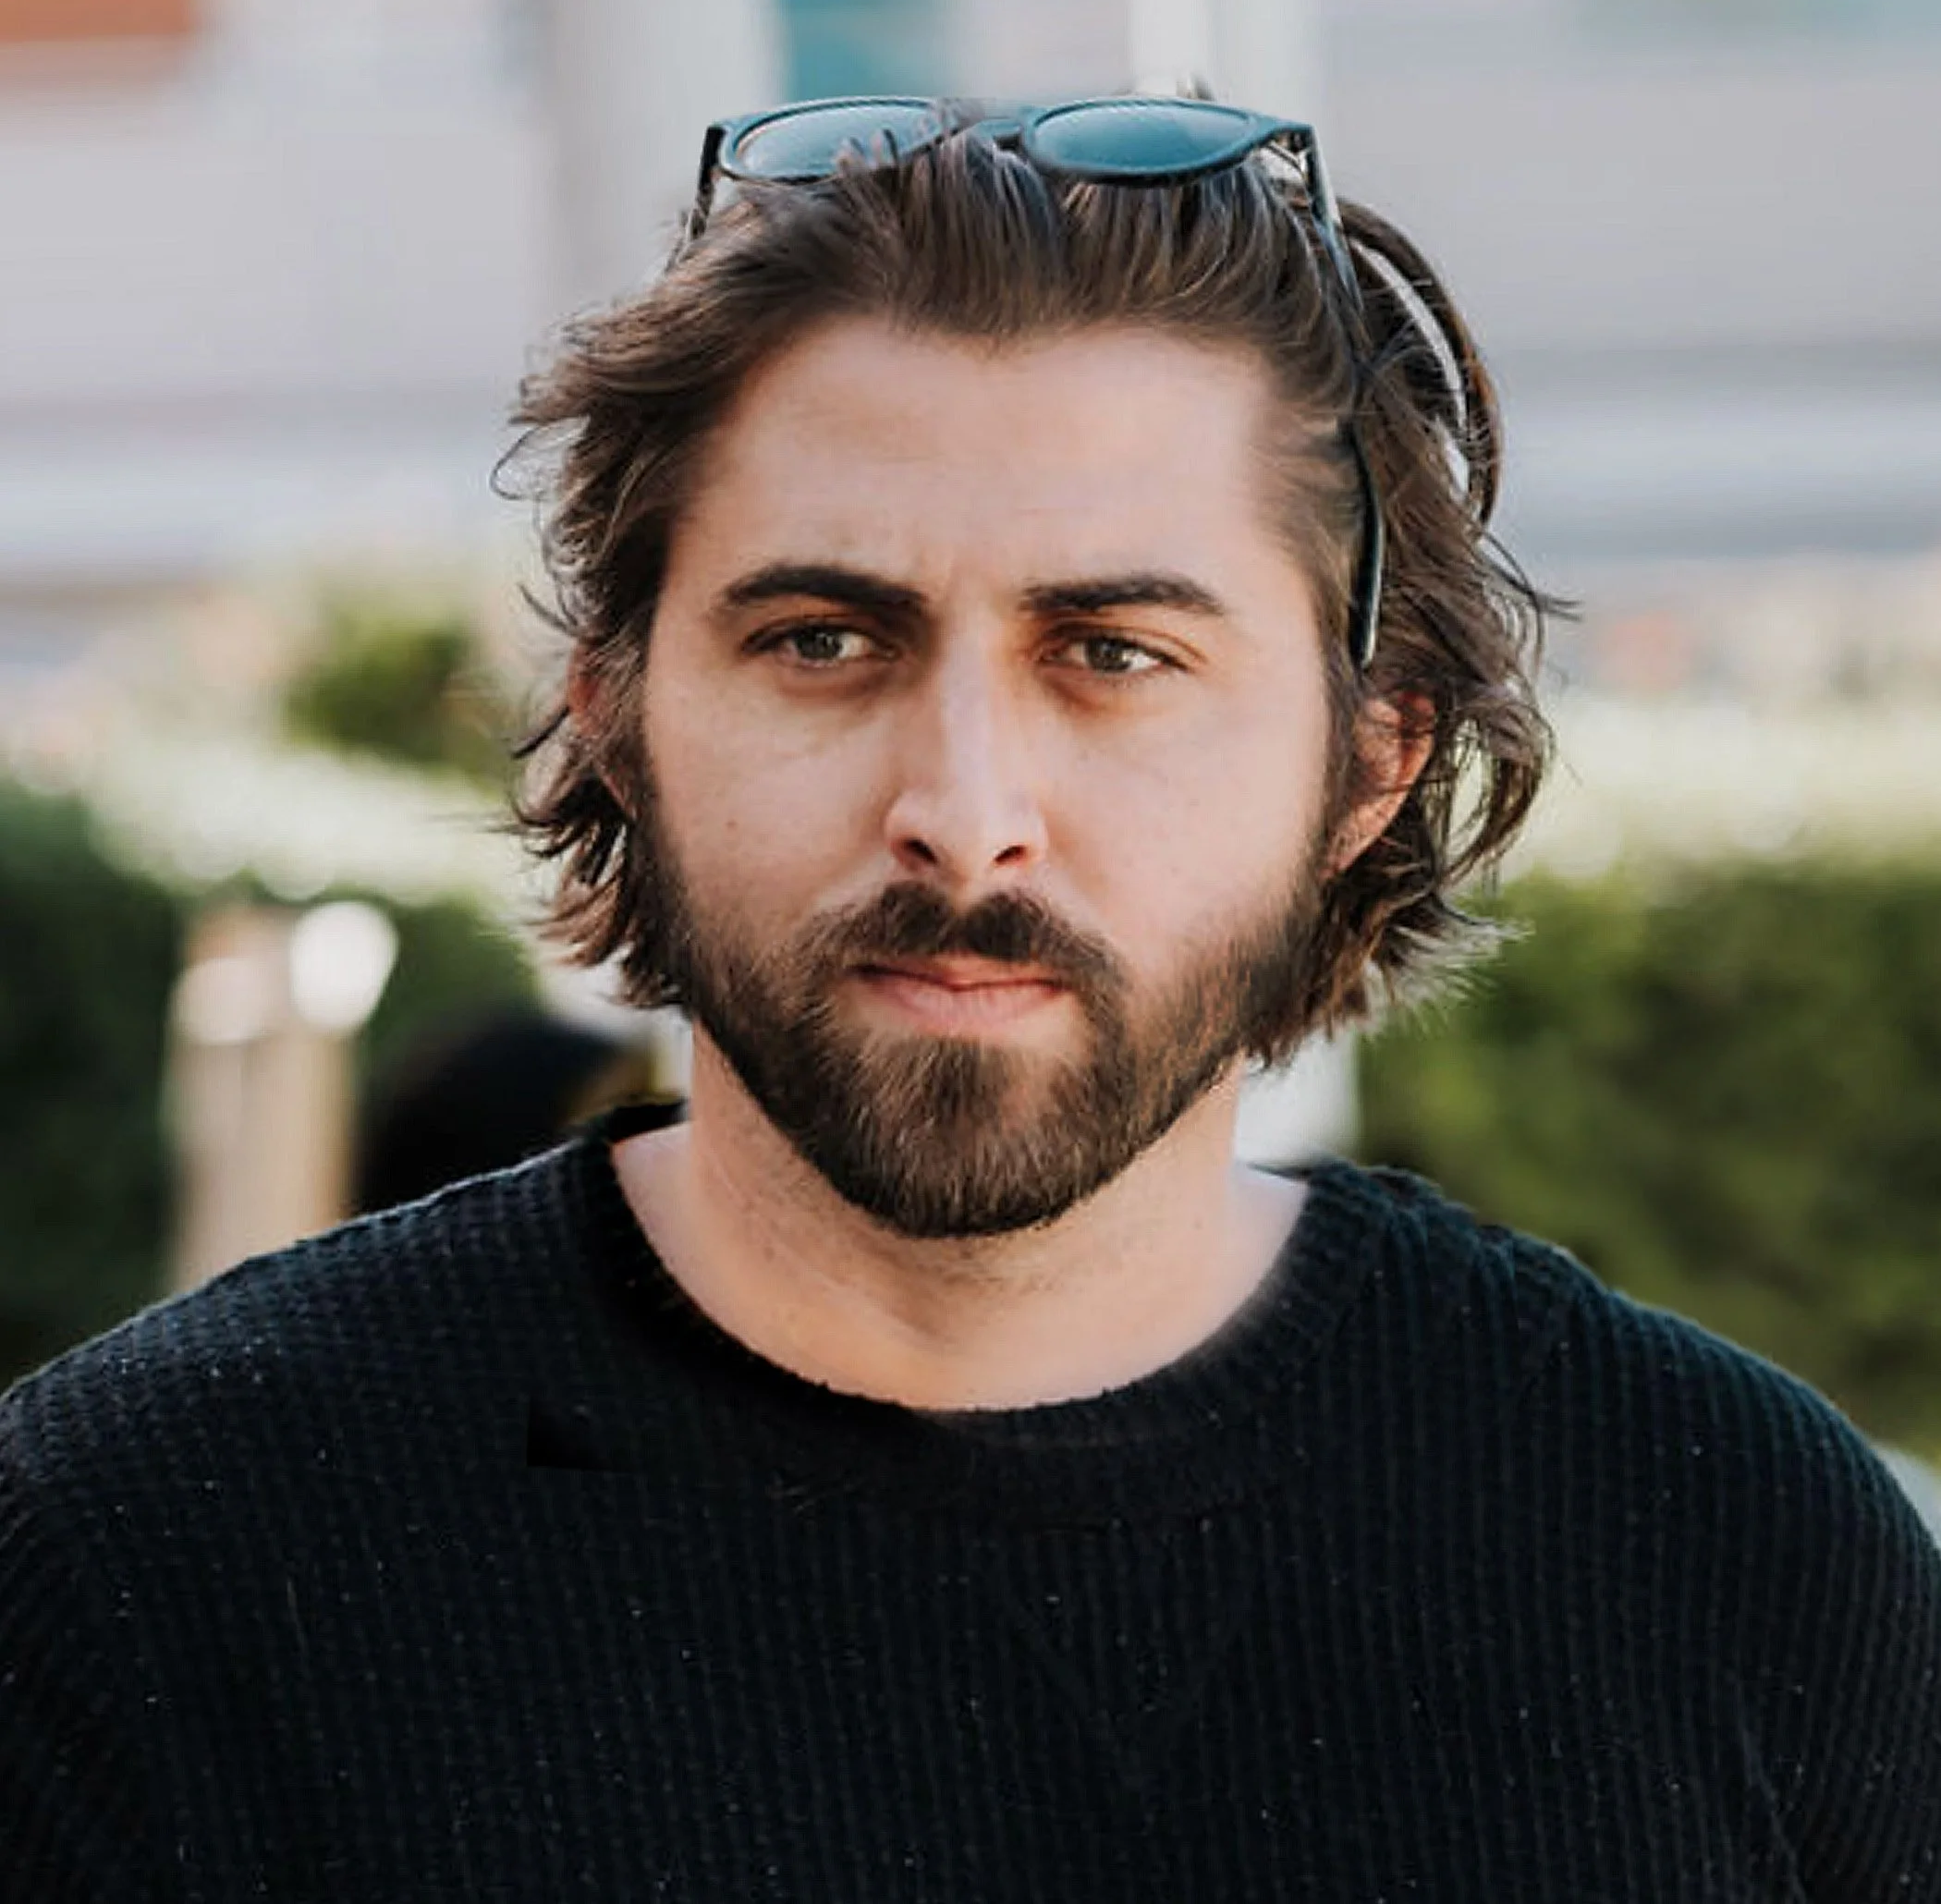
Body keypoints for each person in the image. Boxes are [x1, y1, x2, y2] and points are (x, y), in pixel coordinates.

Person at [4, 96, 1936, 1901]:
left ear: (1365, 771)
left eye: (1112, 651)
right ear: (620, 718)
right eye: (823, 639)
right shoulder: (138, 1571)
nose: (964, 817)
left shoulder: (1734, 1563)